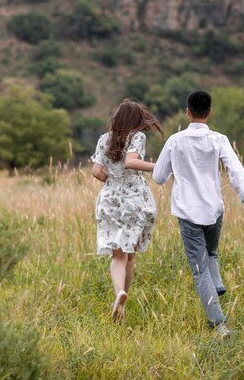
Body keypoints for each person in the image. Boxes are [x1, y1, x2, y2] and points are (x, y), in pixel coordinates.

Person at [153, 90, 244, 337]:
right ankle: (217, 285)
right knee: (211, 252)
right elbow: (236, 172)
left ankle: (219, 325)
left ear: (187, 112)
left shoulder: (175, 141)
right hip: (214, 210)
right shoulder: (219, 139)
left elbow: (159, 177)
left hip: (188, 213)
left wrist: (176, 169)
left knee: (200, 270)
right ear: (210, 112)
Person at [91, 98, 163, 322]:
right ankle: (123, 296)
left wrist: (112, 181)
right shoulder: (137, 136)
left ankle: (118, 294)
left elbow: (96, 172)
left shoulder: (105, 138)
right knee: (129, 254)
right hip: (132, 200)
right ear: (136, 119)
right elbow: (132, 162)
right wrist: (159, 167)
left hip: (110, 200)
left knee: (117, 253)